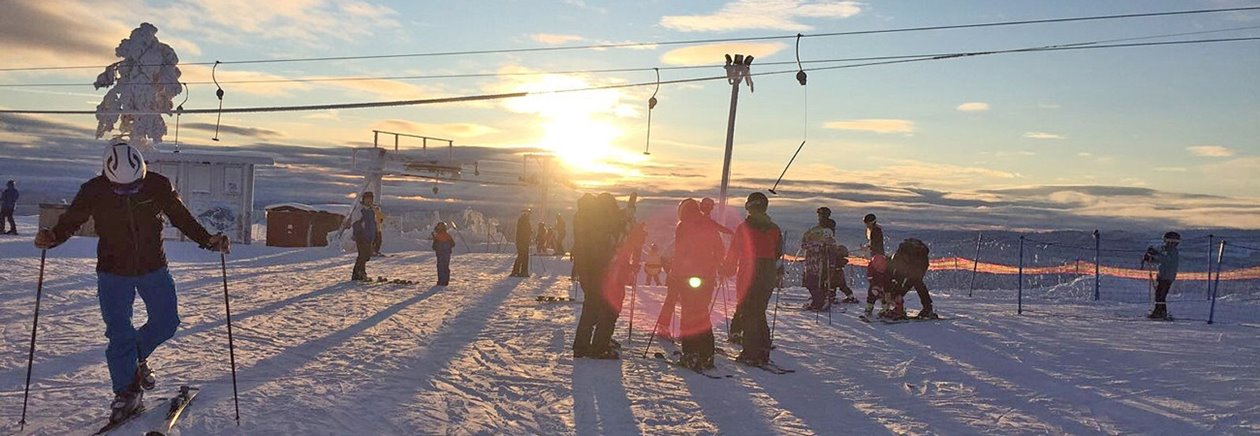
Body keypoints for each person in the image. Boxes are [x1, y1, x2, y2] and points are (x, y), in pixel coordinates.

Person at [33, 141, 230, 424]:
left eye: (133, 186)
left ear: (142, 173)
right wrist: (53, 237)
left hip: (153, 267)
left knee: (166, 322)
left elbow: (181, 218)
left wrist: (209, 241)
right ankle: (126, 393)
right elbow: (71, 220)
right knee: (119, 333)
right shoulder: (94, 190)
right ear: (107, 176)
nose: (127, 191)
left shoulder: (158, 186)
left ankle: (134, 362)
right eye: (120, 188)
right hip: (113, 271)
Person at [722, 192, 782, 367]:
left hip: (750, 270)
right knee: (759, 309)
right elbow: (777, 252)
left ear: (750, 207)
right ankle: (763, 347)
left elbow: (734, 251)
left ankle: (751, 352)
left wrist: (727, 269)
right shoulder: (774, 228)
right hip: (768, 271)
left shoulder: (744, 228)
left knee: (748, 310)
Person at [673, 199, 725, 370]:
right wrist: (715, 266)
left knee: (689, 314)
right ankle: (706, 354)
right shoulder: (708, 224)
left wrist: (675, 274)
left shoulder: (683, 225)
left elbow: (680, 252)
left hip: (687, 276)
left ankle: (690, 353)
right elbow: (719, 248)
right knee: (702, 313)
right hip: (707, 277)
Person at [572, 194, 621, 359]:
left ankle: (582, 345)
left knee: (591, 308)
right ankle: (599, 346)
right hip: (601, 272)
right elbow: (604, 251)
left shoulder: (589, 222)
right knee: (608, 309)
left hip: (589, 272)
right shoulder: (601, 226)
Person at [655, 200, 698, 340]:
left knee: (671, 300)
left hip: (677, 274)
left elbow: (665, 256)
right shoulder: (698, 233)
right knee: (689, 303)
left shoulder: (681, 232)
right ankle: (687, 331)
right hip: (693, 275)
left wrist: (670, 271)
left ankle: (663, 326)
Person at [887, 238, 934, 320]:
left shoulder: (897, 263)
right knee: (913, 283)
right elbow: (897, 279)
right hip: (915, 261)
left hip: (920, 264)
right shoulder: (896, 261)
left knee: (917, 283)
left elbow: (901, 279)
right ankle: (927, 307)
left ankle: (928, 308)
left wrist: (898, 294)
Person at [1144, 231, 1181, 320]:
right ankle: (1160, 311)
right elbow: (1162, 261)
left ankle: (1160, 312)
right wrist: (1151, 259)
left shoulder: (1172, 251)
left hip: (1166, 276)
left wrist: (1155, 254)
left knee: (1160, 295)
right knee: (1159, 294)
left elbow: (1166, 260)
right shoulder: (1168, 250)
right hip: (1163, 275)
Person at [823, 218, 858, 304]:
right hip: (839, 272)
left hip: (834, 271)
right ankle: (850, 296)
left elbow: (831, 257)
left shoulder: (832, 247)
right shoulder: (839, 256)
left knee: (831, 285)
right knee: (842, 285)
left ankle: (832, 297)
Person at [861, 213, 885, 315]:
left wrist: (868, 247)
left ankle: (871, 307)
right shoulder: (875, 230)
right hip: (878, 258)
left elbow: (875, 245)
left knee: (875, 284)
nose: (866, 225)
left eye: (867, 223)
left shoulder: (875, 231)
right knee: (878, 284)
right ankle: (883, 307)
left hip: (877, 259)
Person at [351, 192, 377, 281]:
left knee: (366, 255)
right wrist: (359, 235)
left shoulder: (371, 210)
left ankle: (359, 272)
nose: (369, 201)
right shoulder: (360, 210)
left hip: (369, 236)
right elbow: (355, 223)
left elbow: (373, 224)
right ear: (363, 199)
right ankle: (359, 273)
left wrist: (376, 235)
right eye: (367, 199)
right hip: (361, 236)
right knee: (363, 255)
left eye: (371, 199)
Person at [432, 222, 455, 286]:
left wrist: (440, 246)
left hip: (442, 253)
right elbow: (453, 244)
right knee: (444, 267)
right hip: (444, 253)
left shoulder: (439, 236)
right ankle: (444, 281)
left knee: (442, 267)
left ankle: (442, 281)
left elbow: (434, 246)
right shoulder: (446, 235)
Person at [510, 209, 532, 277]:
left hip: (524, 241)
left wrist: (529, 233)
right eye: (527, 213)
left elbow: (525, 230)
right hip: (522, 241)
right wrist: (529, 232)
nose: (528, 214)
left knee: (524, 256)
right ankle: (517, 271)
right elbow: (523, 231)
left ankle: (522, 271)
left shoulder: (524, 220)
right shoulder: (523, 220)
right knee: (522, 255)